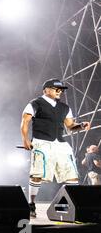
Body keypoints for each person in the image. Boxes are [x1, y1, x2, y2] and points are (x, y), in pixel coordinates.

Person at [21, 78, 91, 217]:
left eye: (61, 90)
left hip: (60, 144)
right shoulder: (35, 104)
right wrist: (25, 140)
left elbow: (70, 126)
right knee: (37, 175)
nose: (59, 92)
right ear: (46, 90)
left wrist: (81, 125)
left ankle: (70, 205)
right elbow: (25, 122)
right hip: (42, 142)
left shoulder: (65, 107)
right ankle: (31, 204)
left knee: (71, 176)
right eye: (56, 89)